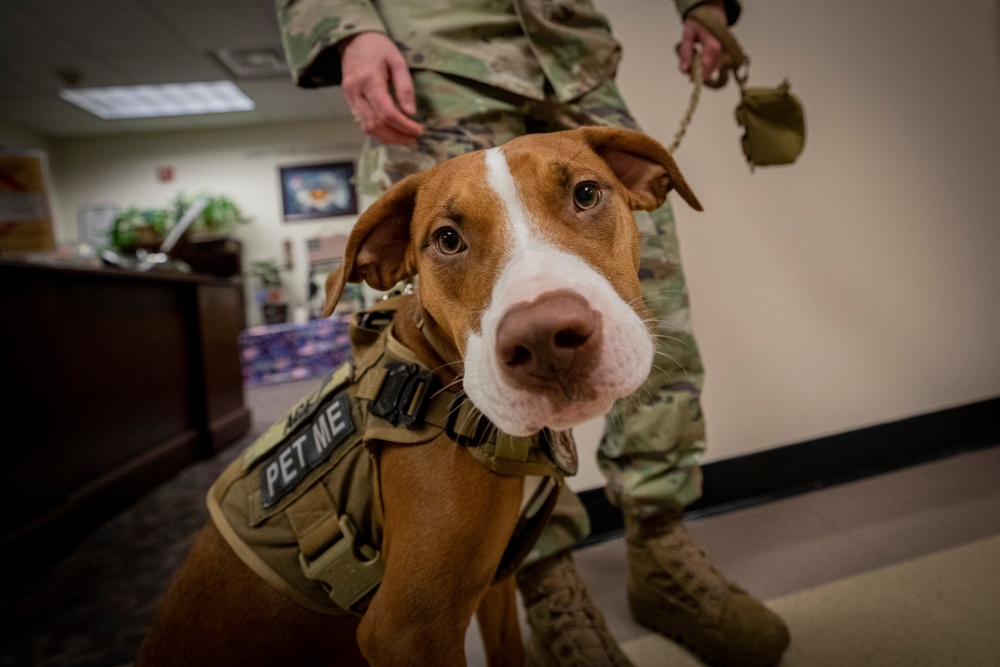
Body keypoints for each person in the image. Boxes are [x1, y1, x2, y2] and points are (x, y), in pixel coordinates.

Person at [277, 1, 790, 665]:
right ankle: (546, 580)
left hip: (572, 59)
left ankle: (662, 548)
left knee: (649, 321)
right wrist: (346, 30)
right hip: (433, 64)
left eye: (586, 196)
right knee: (454, 385)